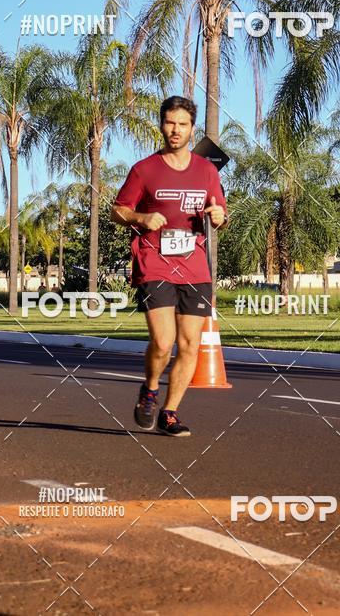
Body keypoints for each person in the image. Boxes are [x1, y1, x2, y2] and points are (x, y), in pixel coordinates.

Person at [111, 96, 227, 438]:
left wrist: (220, 217)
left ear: (192, 129)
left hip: (194, 267)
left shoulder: (206, 171)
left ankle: (170, 412)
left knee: (190, 344)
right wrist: (140, 216)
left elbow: (218, 212)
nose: (175, 130)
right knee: (163, 342)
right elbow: (117, 210)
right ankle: (149, 389)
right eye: (169, 123)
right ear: (161, 125)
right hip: (154, 261)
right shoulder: (145, 169)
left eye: (182, 124)